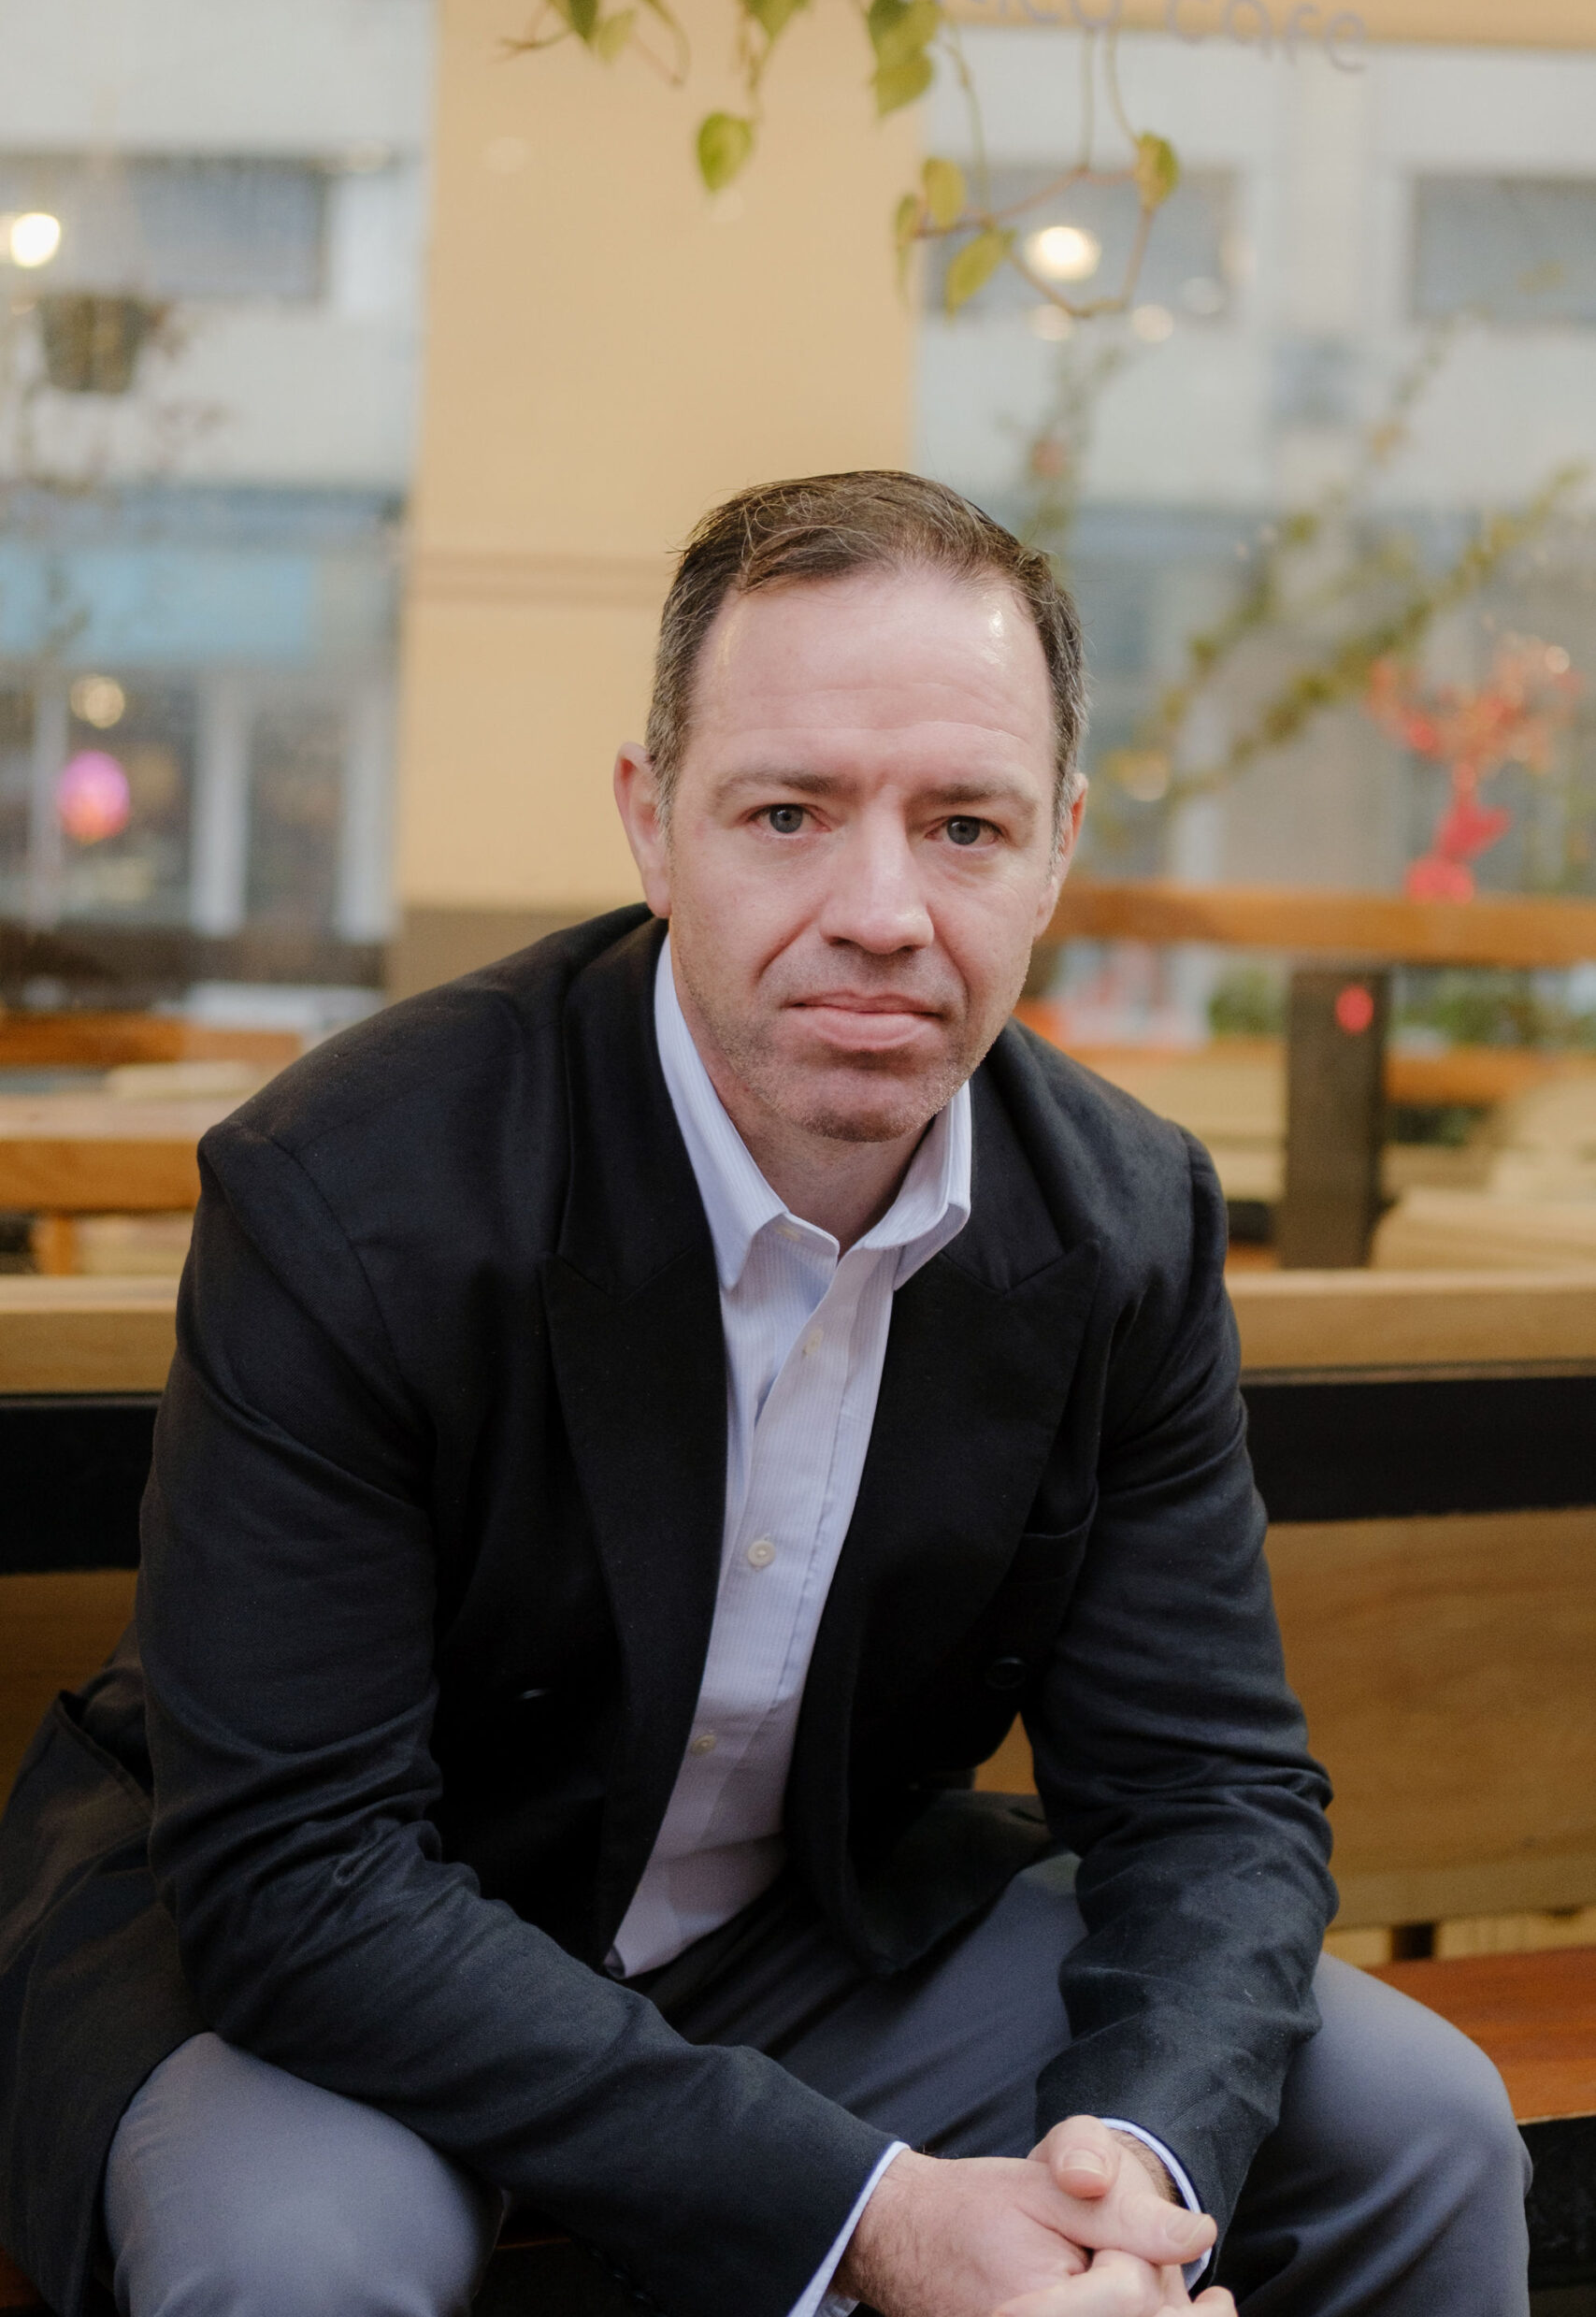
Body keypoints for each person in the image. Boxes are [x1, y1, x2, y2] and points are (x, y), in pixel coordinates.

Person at [0, 473, 1529, 2317]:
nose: (878, 908)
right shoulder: (354, 1186)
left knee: (1419, 2121)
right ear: (653, 826)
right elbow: (298, 1874)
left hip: (800, 1929)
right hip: (331, 1956)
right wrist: (873, 2209)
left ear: (1053, 848)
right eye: (787, 811)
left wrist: (1127, 2165)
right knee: (302, 2257)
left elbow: (1207, 1795)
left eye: (961, 823)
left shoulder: (1119, 1221)